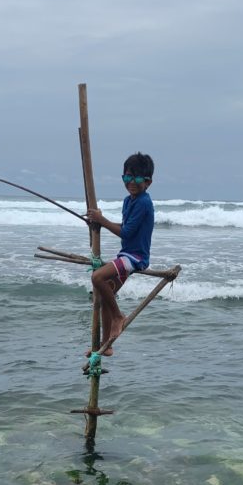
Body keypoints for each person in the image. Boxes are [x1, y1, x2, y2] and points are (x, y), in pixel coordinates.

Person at [86, 152, 155, 356]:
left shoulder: (144, 202)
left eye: (136, 178)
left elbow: (125, 233)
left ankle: (118, 316)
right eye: (126, 177)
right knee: (107, 290)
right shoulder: (128, 201)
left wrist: (102, 219)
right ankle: (106, 345)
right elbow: (125, 227)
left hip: (136, 258)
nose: (130, 182)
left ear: (148, 182)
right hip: (126, 254)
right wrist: (99, 222)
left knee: (97, 277)